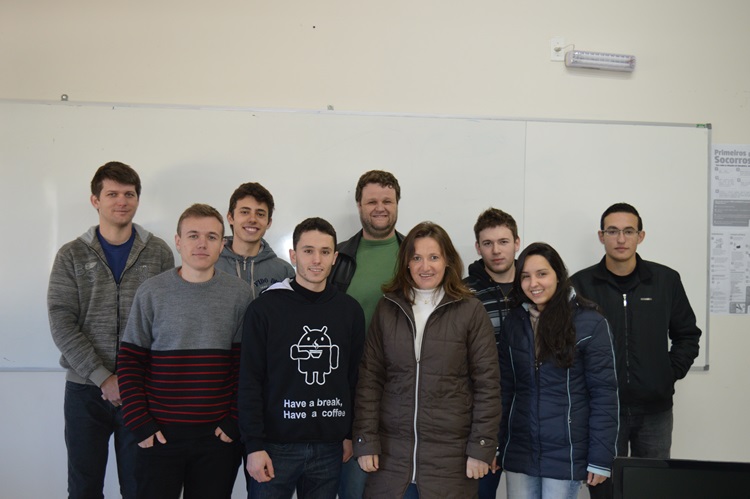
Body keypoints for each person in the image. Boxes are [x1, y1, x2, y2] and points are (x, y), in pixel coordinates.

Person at [47, 161, 174, 499]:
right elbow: (61, 321)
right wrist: (102, 377)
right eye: (112, 194)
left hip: (141, 389)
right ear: (95, 200)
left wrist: (133, 377)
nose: (122, 201)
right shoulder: (71, 255)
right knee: (84, 488)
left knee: (141, 487)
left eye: (129, 194)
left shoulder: (158, 252)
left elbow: (166, 320)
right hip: (85, 391)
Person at [353, 221, 501, 499]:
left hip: (451, 463)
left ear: (448, 261)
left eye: (434, 257)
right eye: (417, 258)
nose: (425, 266)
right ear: (406, 263)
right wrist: (366, 440)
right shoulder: (387, 308)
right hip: (391, 461)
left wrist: (482, 447)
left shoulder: (470, 310)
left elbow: (488, 386)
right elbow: (370, 381)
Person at [117, 203, 253, 499]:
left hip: (217, 439)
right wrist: (140, 423)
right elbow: (130, 362)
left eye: (211, 237)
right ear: (178, 241)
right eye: (193, 235)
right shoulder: (151, 292)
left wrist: (234, 420)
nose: (202, 243)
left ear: (222, 244)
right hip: (159, 435)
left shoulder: (240, 294)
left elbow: (245, 367)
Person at [570, 203, 701, 499]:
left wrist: (667, 374)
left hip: (655, 411)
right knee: (604, 490)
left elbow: (687, 335)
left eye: (628, 231)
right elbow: (569, 344)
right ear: (601, 236)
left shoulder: (666, 280)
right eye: (612, 231)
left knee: (651, 489)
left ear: (640, 236)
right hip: (603, 410)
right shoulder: (581, 284)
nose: (621, 239)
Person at [239, 217, 366, 499]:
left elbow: (354, 378)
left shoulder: (350, 311)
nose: (316, 260)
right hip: (275, 447)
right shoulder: (265, 309)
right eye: (308, 251)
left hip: (330, 446)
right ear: (293, 255)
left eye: (324, 252)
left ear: (335, 258)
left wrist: (348, 434)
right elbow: (249, 380)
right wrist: (253, 446)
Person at [499, 242, 618, 499]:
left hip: (566, 454)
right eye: (525, 276)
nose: (533, 283)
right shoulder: (514, 322)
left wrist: (601, 457)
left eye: (542, 274)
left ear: (558, 275)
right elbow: (505, 390)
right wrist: (496, 444)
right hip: (521, 450)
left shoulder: (590, 323)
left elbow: (604, 395)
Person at [328, 170, 404, 499]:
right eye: (372, 201)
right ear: (359, 205)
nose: (380, 207)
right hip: (351, 387)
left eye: (387, 200)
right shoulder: (337, 257)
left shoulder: (414, 256)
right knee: (354, 483)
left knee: (397, 483)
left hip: (404, 385)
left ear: (397, 204)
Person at [463, 207, 520, 499]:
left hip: (527, 411)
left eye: (503, 242)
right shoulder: (463, 293)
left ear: (517, 243)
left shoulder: (535, 286)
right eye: (488, 243)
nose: (496, 250)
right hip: (481, 412)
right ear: (478, 247)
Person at [216, 181, 295, 298]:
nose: (252, 219)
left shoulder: (284, 271)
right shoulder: (211, 265)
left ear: (269, 222)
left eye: (260, 214)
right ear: (230, 217)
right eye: (245, 212)